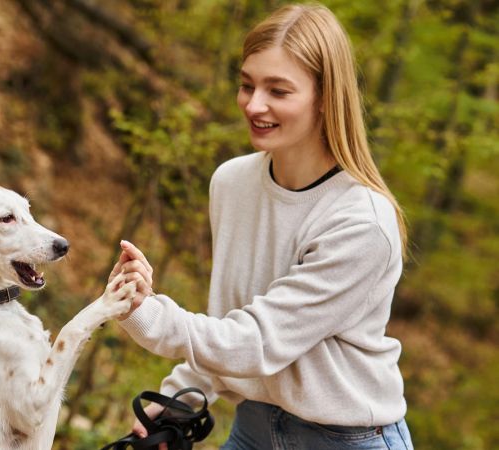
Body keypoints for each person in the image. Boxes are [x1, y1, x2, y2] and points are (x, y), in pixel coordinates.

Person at [109, 4, 415, 449]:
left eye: (278, 90)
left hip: (346, 439)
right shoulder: (232, 182)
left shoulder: (362, 222)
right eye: (247, 85)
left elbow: (258, 341)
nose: (254, 105)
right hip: (253, 428)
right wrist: (182, 394)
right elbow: (233, 316)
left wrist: (147, 313)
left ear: (326, 96)